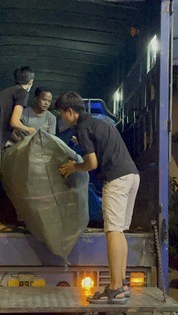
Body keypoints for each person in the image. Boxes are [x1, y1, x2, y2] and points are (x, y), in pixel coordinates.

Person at [56, 91, 139, 305]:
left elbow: (91, 164)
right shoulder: (97, 123)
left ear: (70, 112)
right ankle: (122, 283)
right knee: (119, 231)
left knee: (111, 231)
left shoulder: (82, 127)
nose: (61, 118)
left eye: (61, 114)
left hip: (117, 178)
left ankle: (114, 288)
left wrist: (73, 166)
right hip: (132, 175)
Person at [0, 66, 35, 232]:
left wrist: (20, 139)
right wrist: (31, 131)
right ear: (31, 82)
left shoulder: (8, 92)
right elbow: (15, 122)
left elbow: (9, 128)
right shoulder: (22, 93)